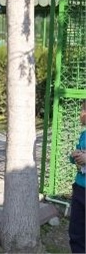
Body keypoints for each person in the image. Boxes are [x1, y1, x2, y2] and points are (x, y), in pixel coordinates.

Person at [69, 100, 86, 253]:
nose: (80, 114)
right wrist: (74, 155)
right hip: (80, 187)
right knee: (76, 231)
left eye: (82, 110)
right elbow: (76, 154)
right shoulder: (83, 134)